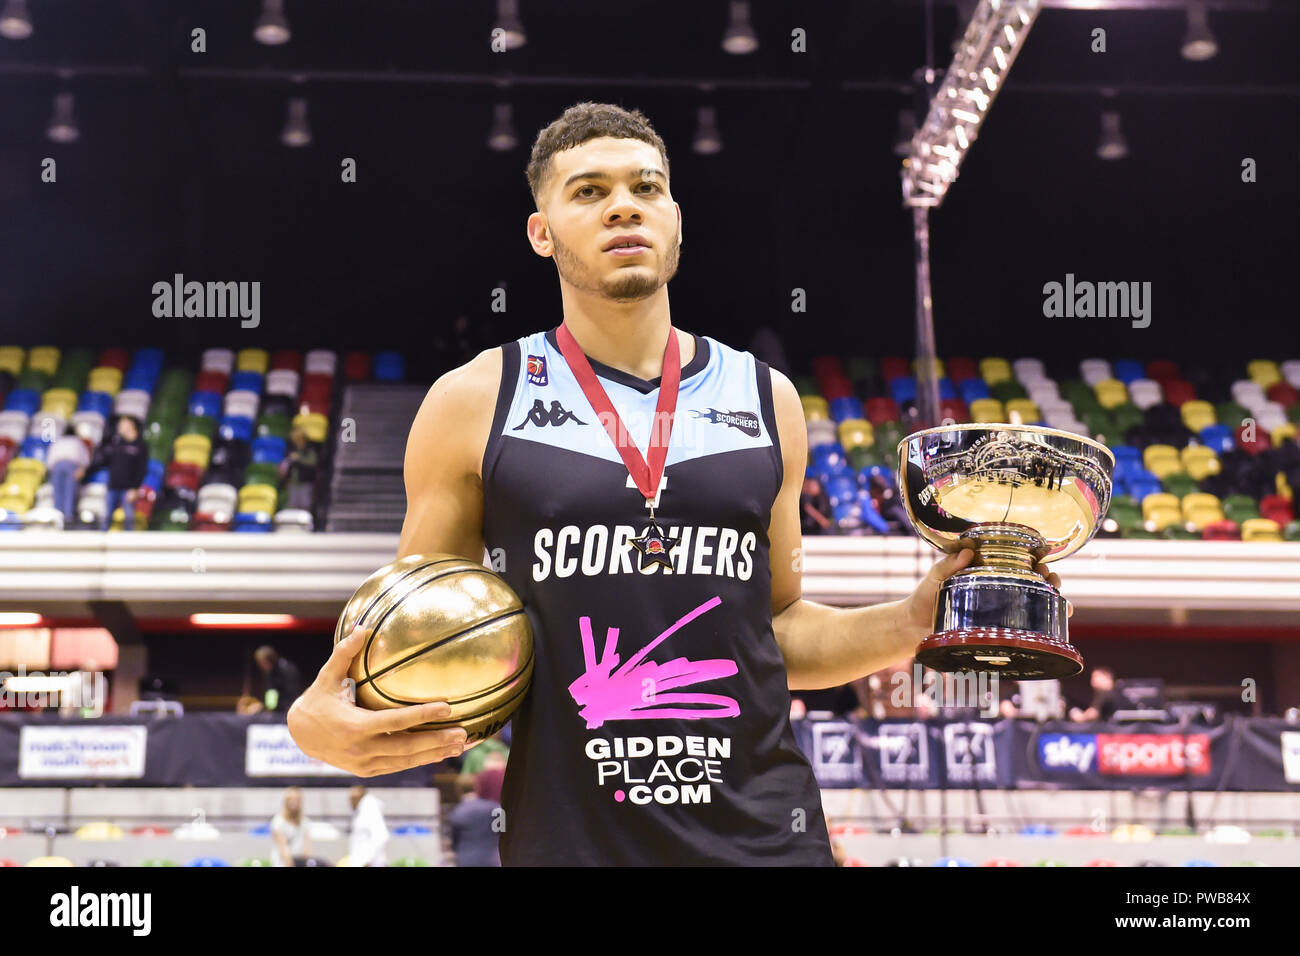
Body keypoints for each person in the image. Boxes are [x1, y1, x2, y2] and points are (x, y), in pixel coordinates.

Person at [287, 102, 1068, 865]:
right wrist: (319, 721)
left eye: (646, 187)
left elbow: (777, 629)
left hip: (767, 839)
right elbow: (413, 635)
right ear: (542, 232)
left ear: (676, 218)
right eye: (588, 191)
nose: (623, 207)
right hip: (569, 843)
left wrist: (909, 621)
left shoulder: (769, 401)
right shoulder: (474, 401)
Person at [83, 415, 148, 531]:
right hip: (113, 487)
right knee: (107, 517)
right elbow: (103, 461)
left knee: (128, 517)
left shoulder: (140, 446)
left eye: (122, 424)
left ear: (131, 425)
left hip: (128, 489)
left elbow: (141, 469)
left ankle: (129, 546)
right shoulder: (117, 444)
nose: (119, 427)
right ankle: (101, 544)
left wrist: (135, 488)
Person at [448, 768, 504, 867]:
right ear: (477, 787)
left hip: (466, 861)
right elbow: (503, 834)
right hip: (492, 860)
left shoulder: (457, 812)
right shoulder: (494, 808)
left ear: (458, 790)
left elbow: (454, 843)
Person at [46, 425, 91, 527]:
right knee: (69, 493)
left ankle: (59, 519)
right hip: (70, 466)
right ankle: (67, 519)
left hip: (57, 466)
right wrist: (82, 470)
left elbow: (49, 460)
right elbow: (85, 459)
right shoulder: (77, 442)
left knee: (58, 493)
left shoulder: (57, 442)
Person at [246, 646, 303, 714]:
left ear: (271, 659)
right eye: (260, 664)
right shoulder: (269, 673)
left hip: (288, 711)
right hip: (275, 713)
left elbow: (292, 696)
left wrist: (263, 706)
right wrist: (262, 706)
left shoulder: (288, 670)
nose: (262, 666)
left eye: (264, 663)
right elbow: (270, 696)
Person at [278, 425, 320, 512]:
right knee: (293, 506)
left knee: (305, 506)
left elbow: (312, 463)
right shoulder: (293, 450)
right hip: (293, 483)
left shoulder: (309, 450)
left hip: (305, 482)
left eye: (298, 440)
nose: (297, 442)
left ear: (303, 439)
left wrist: (299, 459)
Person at [347, 786, 389, 867]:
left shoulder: (370, 810)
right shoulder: (361, 812)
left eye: (354, 798)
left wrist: (367, 860)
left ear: (361, 796)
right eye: (350, 798)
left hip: (370, 863)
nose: (351, 801)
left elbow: (382, 836)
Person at [270, 786, 311, 867]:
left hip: (300, 862)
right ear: (286, 802)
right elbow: (283, 847)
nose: (294, 802)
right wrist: (289, 863)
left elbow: (307, 847)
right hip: (282, 862)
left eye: (297, 800)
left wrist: (305, 862)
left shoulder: (305, 821)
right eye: (291, 799)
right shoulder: (278, 821)